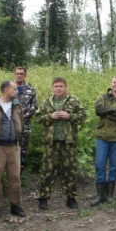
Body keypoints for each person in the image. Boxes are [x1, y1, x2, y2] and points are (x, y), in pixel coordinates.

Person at [35, 77, 87, 210]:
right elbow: (38, 118)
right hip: (51, 143)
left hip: (68, 142)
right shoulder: (47, 102)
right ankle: (43, 198)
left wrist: (70, 117)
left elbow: (83, 116)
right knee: (48, 170)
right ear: (52, 88)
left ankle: (71, 198)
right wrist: (49, 117)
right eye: (56, 86)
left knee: (69, 170)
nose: (58, 89)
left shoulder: (74, 100)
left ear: (66, 87)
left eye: (61, 86)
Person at [0, 81, 25, 220]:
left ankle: (15, 205)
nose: (17, 91)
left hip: (14, 147)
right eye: (15, 89)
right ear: (6, 90)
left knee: (15, 177)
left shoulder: (17, 105)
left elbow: (21, 122)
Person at [92, 76, 116, 206]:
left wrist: (107, 113)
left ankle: (109, 195)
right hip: (102, 136)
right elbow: (98, 110)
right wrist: (115, 109)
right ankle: (99, 196)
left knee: (114, 167)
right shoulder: (103, 97)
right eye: (114, 82)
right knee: (100, 165)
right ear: (111, 83)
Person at [13, 67, 38, 166]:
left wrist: (26, 115)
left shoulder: (31, 90)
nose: (19, 75)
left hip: (25, 126)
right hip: (11, 125)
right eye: (17, 73)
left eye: (21, 74)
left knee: (23, 150)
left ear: (25, 76)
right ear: (14, 75)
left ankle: (21, 174)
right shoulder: (9, 87)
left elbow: (35, 107)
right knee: (10, 148)